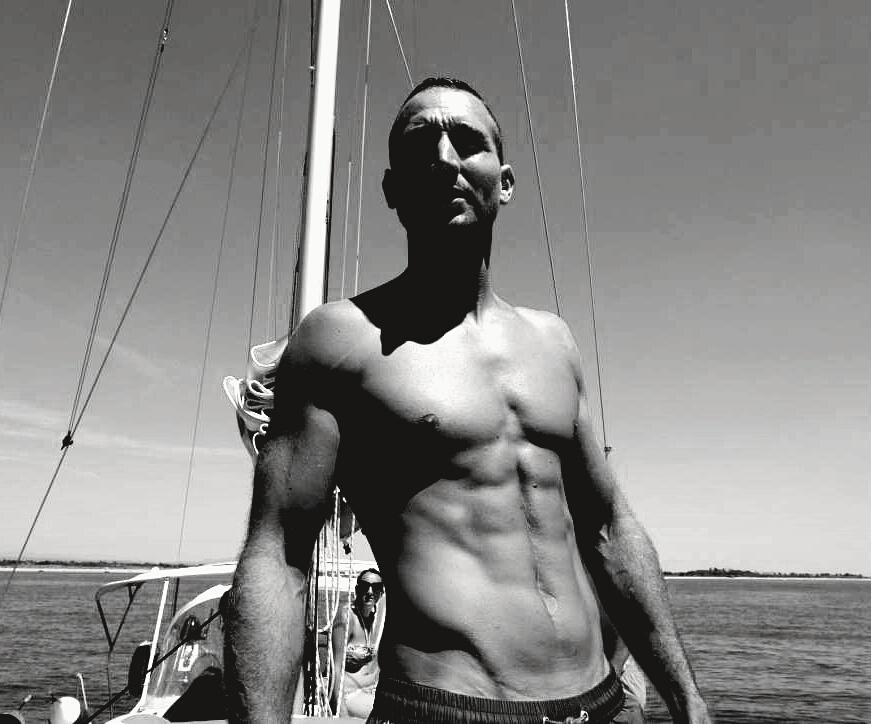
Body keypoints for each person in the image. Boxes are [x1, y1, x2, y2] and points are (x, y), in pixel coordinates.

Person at [225, 77, 711, 724]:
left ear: (503, 183)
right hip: (447, 706)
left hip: (601, 701)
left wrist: (686, 700)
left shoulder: (554, 342)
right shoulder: (340, 340)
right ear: (392, 190)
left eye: (467, 141)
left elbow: (608, 527)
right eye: (419, 144)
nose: (444, 157)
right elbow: (279, 555)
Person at [331, 569, 387, 718]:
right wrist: (341, 710)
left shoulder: (377, 620)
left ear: (381, 593)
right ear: (357, 590)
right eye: (364, 586)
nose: (370, 592)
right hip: (350, 694)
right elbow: (335, 667)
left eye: (375, 587)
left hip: (372, 691)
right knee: (392, 713)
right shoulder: (346, 617)